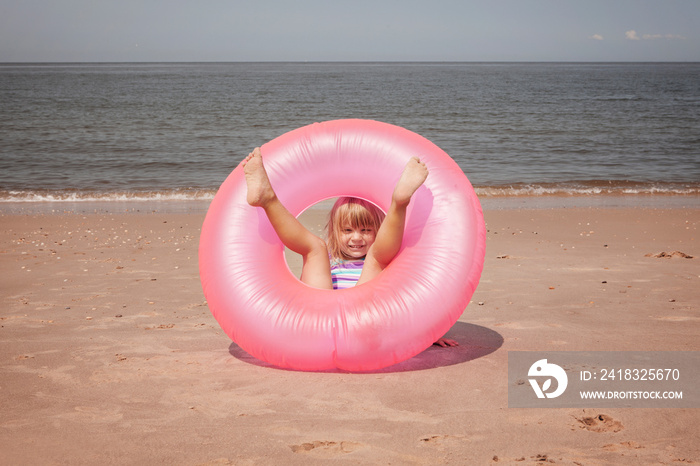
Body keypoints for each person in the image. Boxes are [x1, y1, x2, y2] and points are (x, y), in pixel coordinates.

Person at [243, 147, 457, 347]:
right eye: (347, 231)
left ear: (378, 232)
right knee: (315, 248)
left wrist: (429, 332)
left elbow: (408, 299)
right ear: (336, 232)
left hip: (363, 323)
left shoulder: (384, 264)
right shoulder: (328, 262)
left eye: (366, 230)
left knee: (376, 258)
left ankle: (399, 202)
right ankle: (267, 199)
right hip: (317, 322)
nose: (357, 238)